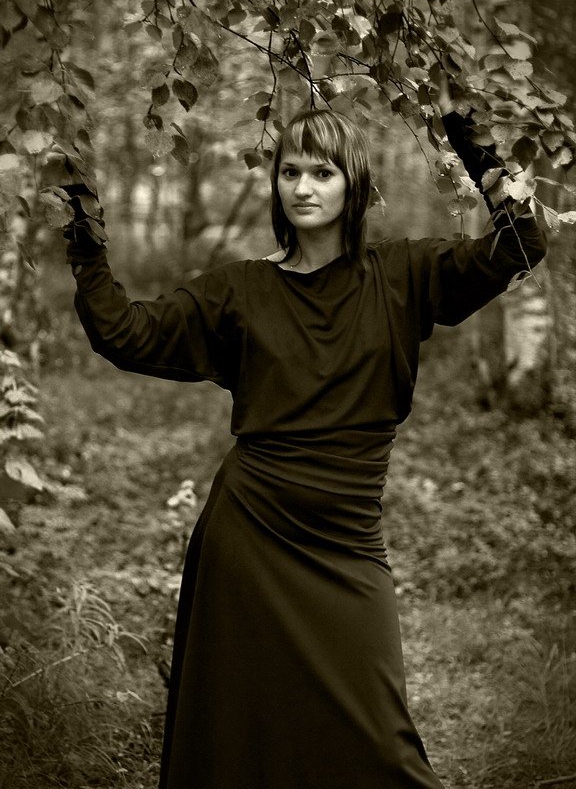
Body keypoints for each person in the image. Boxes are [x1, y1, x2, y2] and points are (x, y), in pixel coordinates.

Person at [57, 96, 546, 789]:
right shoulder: (240, 290)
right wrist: (86, 241)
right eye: (290, 172)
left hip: (348, 539)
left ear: (354, 184)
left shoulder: (404, 275)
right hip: (250, 533)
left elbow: (521, 245)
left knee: (384, 745)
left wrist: (477, 147)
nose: (303, 187)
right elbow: (126, 333)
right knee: (241, 733)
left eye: (322, 173)